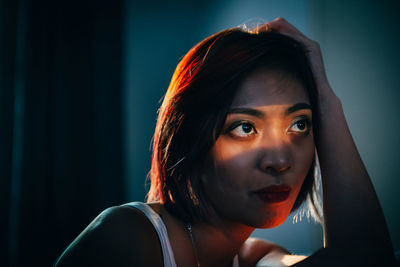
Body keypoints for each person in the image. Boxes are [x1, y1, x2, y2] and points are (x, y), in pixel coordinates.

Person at [54, 18, 397, 267]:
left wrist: (327, 101)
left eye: (299, 124)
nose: (279, 160)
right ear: (191, 140)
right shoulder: (128, 239)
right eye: (245, 128)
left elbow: (364, 260)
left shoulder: (257, 257)